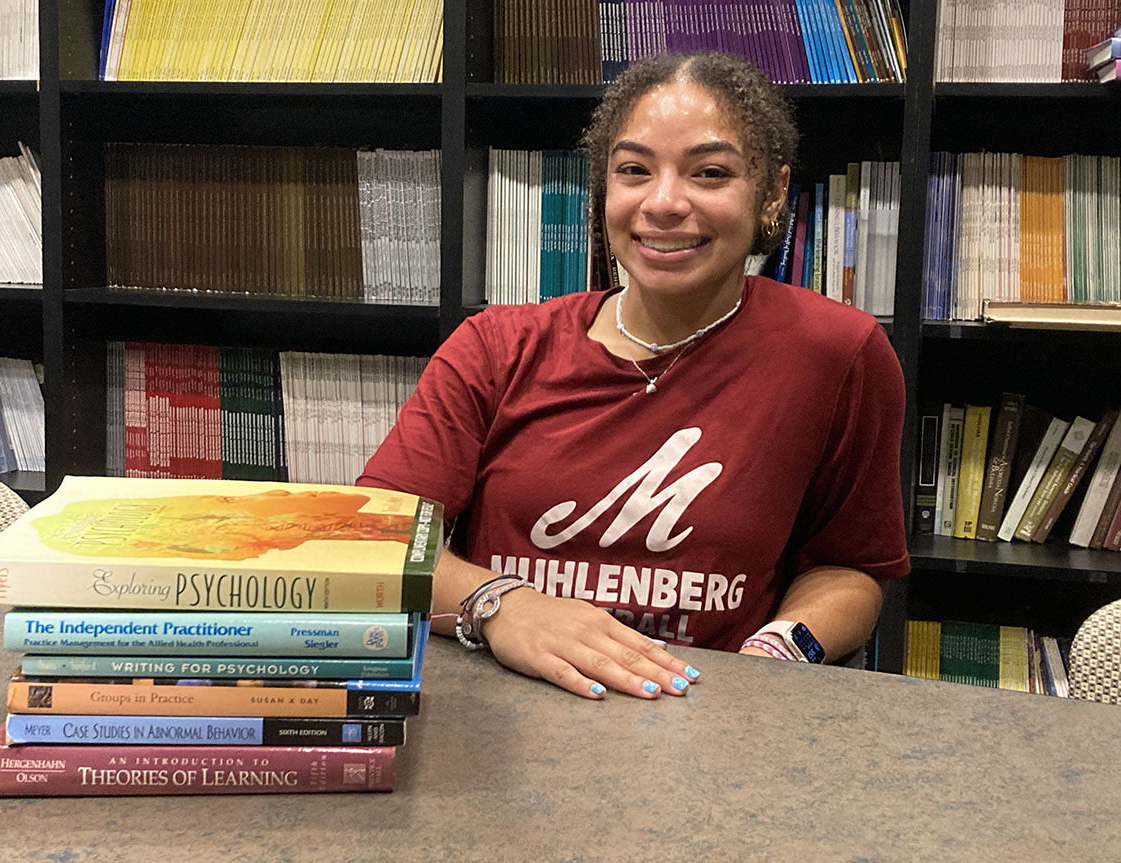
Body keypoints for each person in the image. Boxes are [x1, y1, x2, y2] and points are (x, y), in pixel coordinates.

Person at [359, 51, 910, 700]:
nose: (664, 202)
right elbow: (376, 539)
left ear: (772, 194)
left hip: (707, 722)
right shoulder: (493, 349)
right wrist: (500, 603)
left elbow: (852, 567)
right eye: (633, 171)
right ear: (604, 192)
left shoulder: (839, 353)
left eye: (709, 173)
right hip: (497, 719)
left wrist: (780, 648)